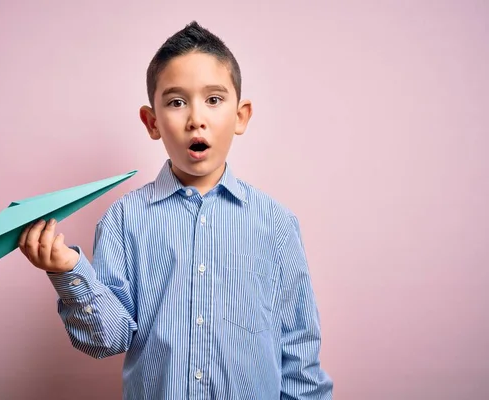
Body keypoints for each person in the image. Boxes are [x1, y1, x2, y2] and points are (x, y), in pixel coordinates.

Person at [18, 21, 333, 400]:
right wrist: (67, 270)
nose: (195, 118)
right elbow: (107, 339)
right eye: (176, 102)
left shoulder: (276, 224)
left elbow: (299, 352)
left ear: (240, 116)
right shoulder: (124, 220)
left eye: (214, 100)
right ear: (152, 122)